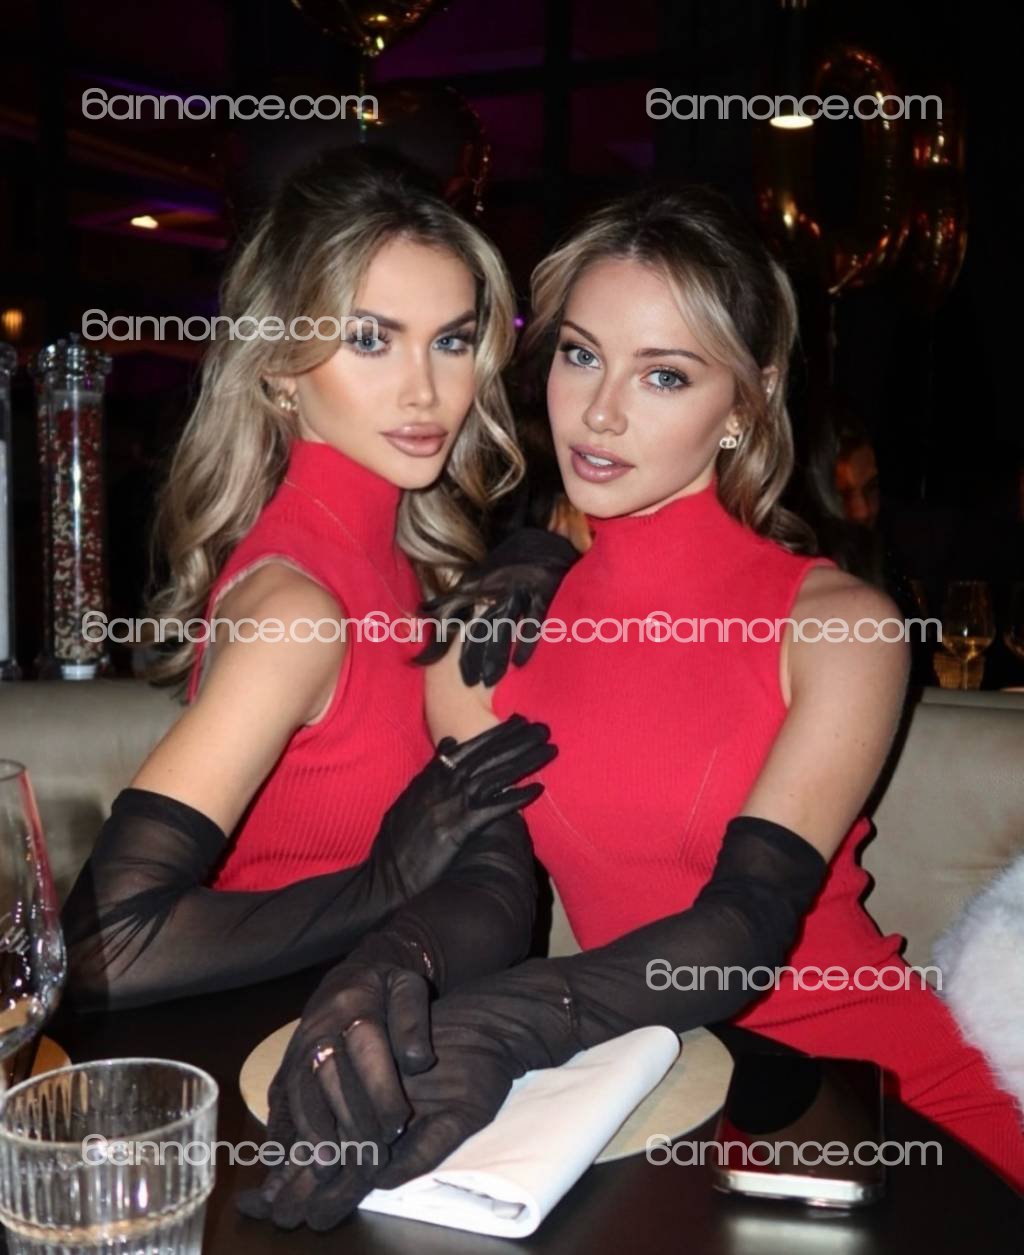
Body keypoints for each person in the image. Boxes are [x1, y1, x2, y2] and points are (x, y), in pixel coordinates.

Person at [246, 183, 1024, 1229]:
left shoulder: (840, 626)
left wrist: (519, 1018)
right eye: (580, 355)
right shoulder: (485, 640)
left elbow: (746, 921)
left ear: (748, 398)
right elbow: (492, 885)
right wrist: (394, 962)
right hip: (661, 1096)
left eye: (664, 374)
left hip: (886, 1114)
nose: (602, 412)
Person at [59, 150, 557, 1016]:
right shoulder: (299, 609)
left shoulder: (397, 557)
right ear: (281, 367)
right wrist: (382, 882)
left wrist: (543, 559)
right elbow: (102, 948)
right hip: (264, 1048)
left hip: (369, 1027)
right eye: (369, 338)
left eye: (450, 340)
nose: (425, 390)